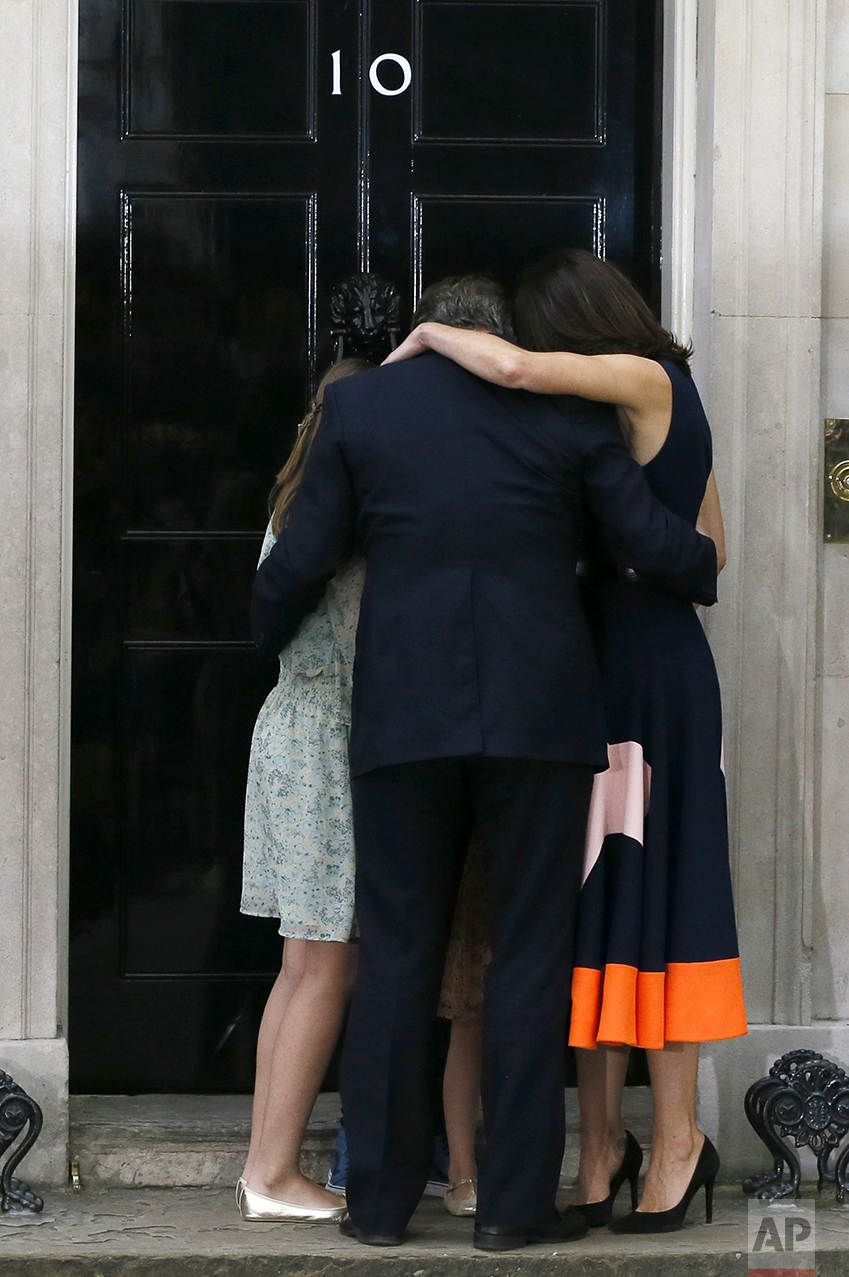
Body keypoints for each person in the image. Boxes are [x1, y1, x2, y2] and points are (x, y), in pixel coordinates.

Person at [251, 274, 718, 1250]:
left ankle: (378, 1205)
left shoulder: (358, 404)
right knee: (527, 956)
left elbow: (301, 558)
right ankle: (509, 1206)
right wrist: (699, 556)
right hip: (538, 719)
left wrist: (262, 634)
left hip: (402, 717)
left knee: (398, 960)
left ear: (435, 336)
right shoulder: (564, 412)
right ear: (501, 340)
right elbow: (650, 542)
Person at [383, 247, 747, 1233]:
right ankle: (602, 1146)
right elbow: (714, 537)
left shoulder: (650, 376)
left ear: (572, 327)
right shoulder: (621, 410)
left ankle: (675, 1141)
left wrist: (423, 337)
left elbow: (508, 370)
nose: (534, 353)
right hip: (596, 666)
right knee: (592, 911)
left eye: (545, 335)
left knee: (662, 902)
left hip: (652, 676)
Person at [238, 357, 370, 1223]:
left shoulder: (292, 504)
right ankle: (275, 1174)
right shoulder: (341, 515)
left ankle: (263, 1166)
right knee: (324, 960)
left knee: (301, 963)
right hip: (324, 740)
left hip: (290, 728)